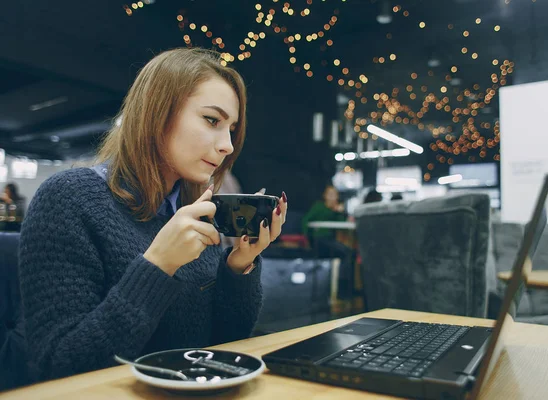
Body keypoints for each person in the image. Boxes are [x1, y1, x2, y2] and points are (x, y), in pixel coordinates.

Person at [18, 48, 288, 382]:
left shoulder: (196, 213)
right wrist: (158, 266)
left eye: (231, 128)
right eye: (212, 120)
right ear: (156, 113)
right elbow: (59, 364)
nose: (228, 145)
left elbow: (220, 347)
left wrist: (237, 267)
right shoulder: (69, 198)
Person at [302, 185, 354, 298]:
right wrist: (307, 239)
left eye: (334, 194)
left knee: (349, 253)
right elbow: (306, 221)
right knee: (347, 253)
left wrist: (339, 212)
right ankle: (343, 290)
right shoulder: (318, 207)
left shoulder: (335, 210)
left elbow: (341, 224)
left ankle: (345, 288)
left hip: (329, 240)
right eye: (329, 194)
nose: (332, 197)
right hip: (318, 240)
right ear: (324, 196)